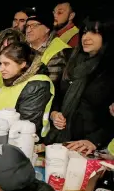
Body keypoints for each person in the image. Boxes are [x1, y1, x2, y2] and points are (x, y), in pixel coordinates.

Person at [47, 12, 114, 151]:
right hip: (62, 141)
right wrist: (54, 114)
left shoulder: (109, 69)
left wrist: (95, 141)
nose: (86, 38)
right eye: (84, 32)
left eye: (94, 33)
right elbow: (58, 94)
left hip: (93, 147)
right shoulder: (73, 61)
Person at [0, 42, 54, 137]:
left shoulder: (37, 85)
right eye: (0, 64)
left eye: (6, 64)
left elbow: (26, 125)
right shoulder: (13, 78)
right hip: (3, 134)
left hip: (24, 140)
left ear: (23, 64)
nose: (1, 69)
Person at [25, 12, 70, 87]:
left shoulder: (59, 50)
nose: (28, 30)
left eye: (34, 26)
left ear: (47, 29)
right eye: (27, 26)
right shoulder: (21, 45)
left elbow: (48, 85)